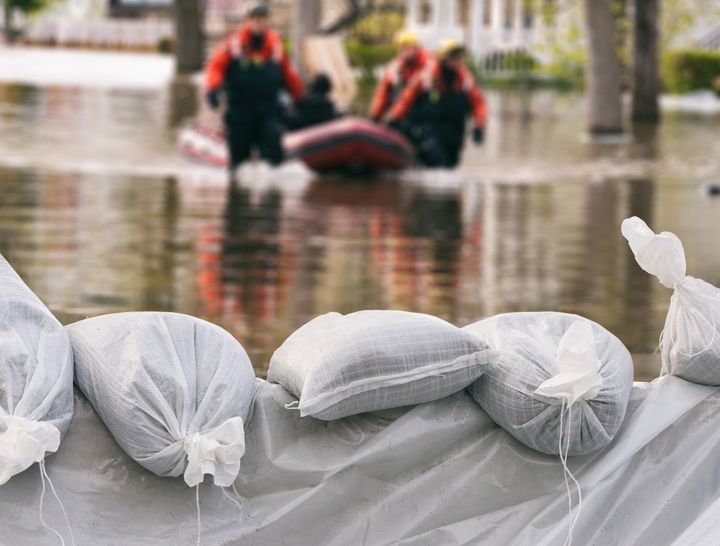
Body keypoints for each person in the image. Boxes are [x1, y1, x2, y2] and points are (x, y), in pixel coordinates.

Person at [204, 2, 304, 174]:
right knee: (238, 162)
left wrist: (300, 99)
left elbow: (289, 75)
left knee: (274, 156)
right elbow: (215, 67)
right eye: (255, 18)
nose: (259, 22)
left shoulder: (275, 45)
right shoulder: (233, 44)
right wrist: (213, 89)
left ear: (267, 21)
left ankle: (272, 195)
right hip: (241, 111)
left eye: (262, 18)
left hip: (268, 111)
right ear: (248, 20)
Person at [387, 39, 487, 168]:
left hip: (455, 131)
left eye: (458, 57)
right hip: (429, 128)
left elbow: (478, 103)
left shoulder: (465, 79)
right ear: (443, 58)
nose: (456, 60)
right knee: (437, 161)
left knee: (451, 164)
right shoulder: (426, 76)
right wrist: (395, 118)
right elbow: (406, 98)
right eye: (452, 56)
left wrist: (479, 126)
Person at [368, 29, 432, 123]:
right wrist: (375, 115)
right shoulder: (395, 67)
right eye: (403, 48)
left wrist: (395, 116)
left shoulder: (428, 65)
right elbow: (382, 92)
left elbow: (411, 91)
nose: (406, 51)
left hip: (422, 116)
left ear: (417, 48)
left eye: (409, 47)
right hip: (403, 116)